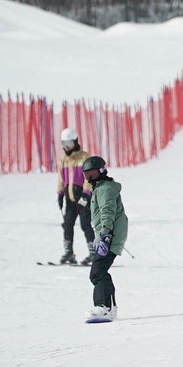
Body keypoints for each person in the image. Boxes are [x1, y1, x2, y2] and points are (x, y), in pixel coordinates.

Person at [82, 155, 128, 320]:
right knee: (100, 270)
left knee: (98, 271)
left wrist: (105, 235)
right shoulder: (101, 188)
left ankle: (104, 307)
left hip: (110, 235)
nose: (89, 177)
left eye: (92, 173)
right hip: (108, 235)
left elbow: (107, 212)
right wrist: (99, 235)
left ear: (101, 171)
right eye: (86, 174)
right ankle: (110, 307)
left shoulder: (105, 189)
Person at [56, 128, 97, 265]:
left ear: (75, 141)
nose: (66, 146)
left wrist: (86, 194)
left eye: (68, 142)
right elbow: (61, 179)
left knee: (85, 224)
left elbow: (90, 177)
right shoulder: (64, 160)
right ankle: (69, 253)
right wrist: (60, 194)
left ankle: (94, 253)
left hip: (83, 197)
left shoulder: (84, 157)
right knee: (67, 224)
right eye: (63, 142)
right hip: (70, 198)